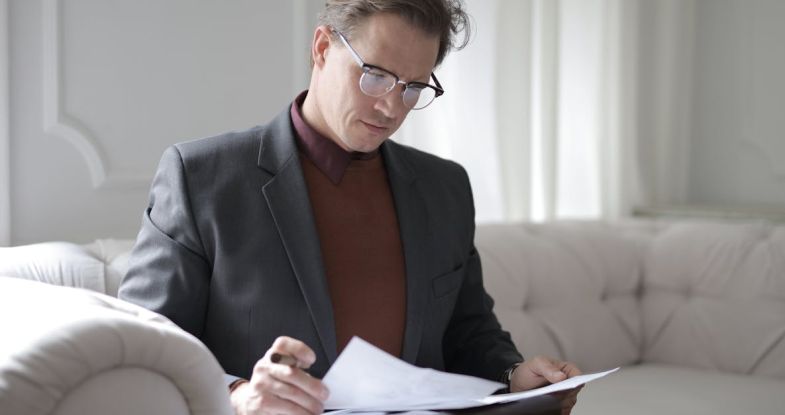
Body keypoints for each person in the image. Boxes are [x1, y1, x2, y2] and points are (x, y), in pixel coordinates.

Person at [119, 1, 583, 414]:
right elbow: (145, 351)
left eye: (413, 87)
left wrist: (514, 378)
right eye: (375, 75)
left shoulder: (446, 187)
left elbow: (469, 330)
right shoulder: (202, 177)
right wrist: (238, 395)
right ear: (322, 47)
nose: (390, 108)